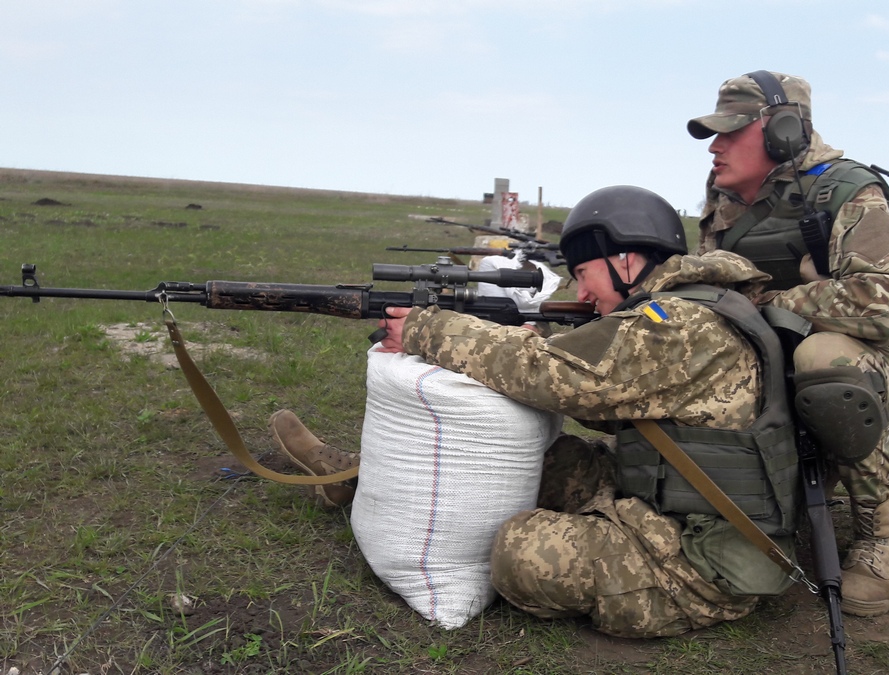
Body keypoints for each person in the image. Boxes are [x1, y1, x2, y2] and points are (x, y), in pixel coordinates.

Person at [270, 185, 804, 638]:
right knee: (528, 458)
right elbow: (615, 404)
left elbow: (564, 383)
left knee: (521, 553)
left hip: (705, 557)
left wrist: (428, 329)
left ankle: (352, 481)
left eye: (583, 271)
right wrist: (536, 344)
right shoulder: (688, 310)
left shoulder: (679, 324)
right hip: (669, 499)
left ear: (624, 258)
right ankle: (354, 478)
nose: (582, 290)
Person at [687, 70, 889, 617]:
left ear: (784, 132)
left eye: (731, 132)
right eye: (713, 136)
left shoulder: (848, 190)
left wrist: (773, 301)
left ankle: (883, 533)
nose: (717, 147)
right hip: (772, 367)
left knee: (826, 359)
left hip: (866, 383)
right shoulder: (723, 197)